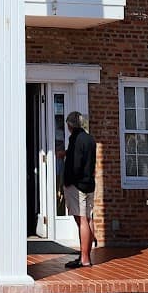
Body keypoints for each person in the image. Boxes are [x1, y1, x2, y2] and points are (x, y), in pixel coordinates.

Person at [61, 111, 96, 268]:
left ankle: (84, 259)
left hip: (78, 185)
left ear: (70, 125)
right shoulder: (89, 139)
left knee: (81, 220)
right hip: (89, 184)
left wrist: (68, 182)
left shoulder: (75, 139)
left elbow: (76, 164)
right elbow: (84, 157)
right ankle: (86, 255)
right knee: (88, 219)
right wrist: (66, 153)